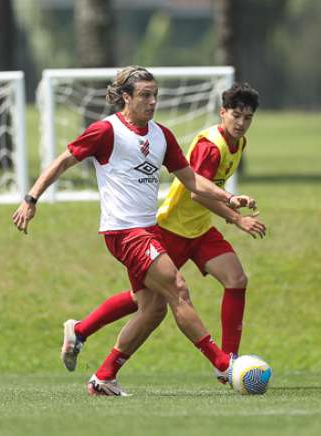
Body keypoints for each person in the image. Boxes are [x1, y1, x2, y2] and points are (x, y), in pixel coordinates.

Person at [12, 66, 257, 396]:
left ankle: (103, 376)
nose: (152, 101)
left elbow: (191, 180)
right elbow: (63, 161)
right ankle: (225, 366)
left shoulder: (162, 135)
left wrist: (228, 197)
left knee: (152, 308)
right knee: (178, 289)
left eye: (155, 95)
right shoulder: (106, 131)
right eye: (145, 95)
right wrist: (31, 198)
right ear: (125, 97)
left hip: (150, 230)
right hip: (123, 232)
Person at [60, 83, 265, 378]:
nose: (242, 123)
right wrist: (237, 218)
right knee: (148, 302)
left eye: (248, 118)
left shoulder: (239, 144)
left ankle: (231, 364)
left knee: (236, 279)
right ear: (223, 113)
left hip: (200, 229)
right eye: (236, 116)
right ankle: (82, 332)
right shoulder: (210, 146)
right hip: (171, 229)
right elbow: (197, 192)